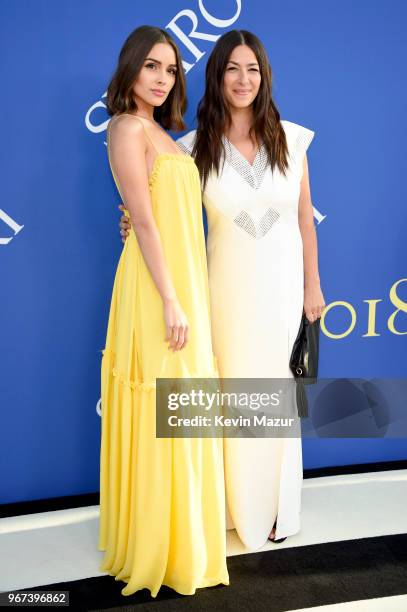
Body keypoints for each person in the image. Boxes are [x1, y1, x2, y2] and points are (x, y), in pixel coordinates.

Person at [119, 30, 325, 550]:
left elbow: (306, 222)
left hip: (282, 288)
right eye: (232, 68)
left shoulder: (293, 139)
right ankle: (232, 507)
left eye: (252, 68)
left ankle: (278, 508)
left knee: (276, 392)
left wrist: (313, 287)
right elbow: (161, 201)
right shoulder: (191, 147)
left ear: (264, 76)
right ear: (217, 75)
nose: (242, 79)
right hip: (223, 291)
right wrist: (129, 219)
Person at [98, 25, 229, 597]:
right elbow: (145, 220)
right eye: (151, 66)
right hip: (158, 291)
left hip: (182, 284)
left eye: (171, 69)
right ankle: (158, 544)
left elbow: (158, 215)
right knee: (163, 404)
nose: (161, 78)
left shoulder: (164, 134)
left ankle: (184, 539)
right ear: (130, 67)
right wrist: (172, 298)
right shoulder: (126, 127)